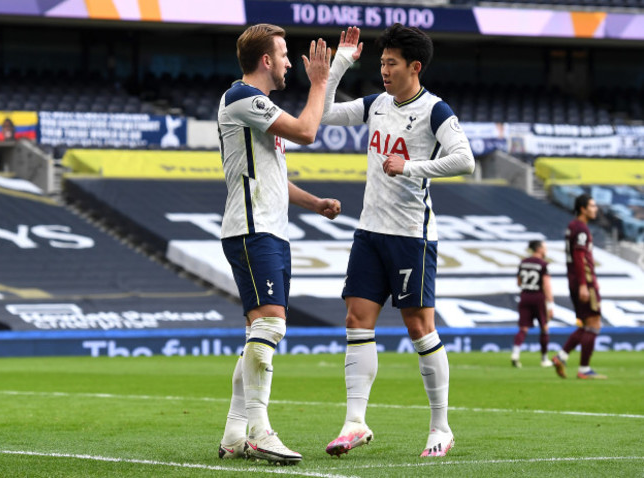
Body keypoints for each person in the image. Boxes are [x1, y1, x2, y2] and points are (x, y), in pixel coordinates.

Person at [321, 25, 475, 458]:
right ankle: (354, 423)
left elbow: (466, 160)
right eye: (381, 62)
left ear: (415, 66)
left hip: (412, 235)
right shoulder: (377, 105)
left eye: (391, 63)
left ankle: (441, 428)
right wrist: (339, 63)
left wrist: (410, 167)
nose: (384, 70)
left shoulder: (435, 110)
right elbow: (325, 113)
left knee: (419, 328)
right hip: (370, 231)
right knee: (356, 320)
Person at [216, 24, 341, 464]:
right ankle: (259, 430)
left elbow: (275, 176)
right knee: (270, 327)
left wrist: (315, 202)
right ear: (266, 60)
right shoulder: (242, 98)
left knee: (259, 332)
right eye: (285, 55)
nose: (291, 62)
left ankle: (235, 433)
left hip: (269, 228)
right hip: (254, 230)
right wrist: (321, 83)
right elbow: (308, 130)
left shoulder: (257, 107)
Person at [551, 194, 606, 379]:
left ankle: (561, 356)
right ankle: (584, 370)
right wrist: (584, 285)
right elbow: (579, 257)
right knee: (594, 323)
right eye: (592, 205)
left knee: (585, 324)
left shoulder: (572, 226)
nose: (595, 209)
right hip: (585, 282)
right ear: (583, 208)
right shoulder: (581, 229)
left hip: (574, 280)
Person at [511, 240, 554, 368]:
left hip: (524, 296)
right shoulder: (543, 264)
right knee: (544, 327)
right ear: (539, 249)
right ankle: (544, 359)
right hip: (538, 297)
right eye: (545, 247)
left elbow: (518, 282)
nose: (546, 250)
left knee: (523, 328)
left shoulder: (523, 262)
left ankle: (515, 354)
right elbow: (546, 285)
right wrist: (550, 305)